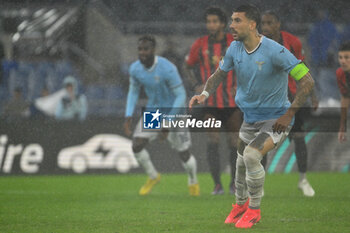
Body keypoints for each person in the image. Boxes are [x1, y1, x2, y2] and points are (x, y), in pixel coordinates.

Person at [189, 4, 315, 228]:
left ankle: (254, 210)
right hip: (249, 117)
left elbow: (307, 81)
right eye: (231, 20)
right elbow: (219, 74)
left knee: (250, 156)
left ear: (252, 24)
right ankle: (239, 206)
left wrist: (289, 114)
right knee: (240, 162)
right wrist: (204, 94)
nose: (231, 25)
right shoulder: (234, 49)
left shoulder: (275, 51)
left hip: (276, 119)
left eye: (237, 21)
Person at [124, 35, 200, 196]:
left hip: (176, 112)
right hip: (154, 112)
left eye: (146, 49)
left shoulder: (167, 68)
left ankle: (193, 181)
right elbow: (133, 91)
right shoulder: (135, 69)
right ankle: (153, 176)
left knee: (184, 154)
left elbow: (180, 95)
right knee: (137, 145)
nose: (142, 52)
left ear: (154, 50)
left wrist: (168, 122)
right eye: (140, 49)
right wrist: (128, 115)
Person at [184, 6, 242, 195]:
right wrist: (196, 86)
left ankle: (234, 184)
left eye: (215, 21)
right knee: (213, 139)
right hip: (209, 103)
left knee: (234, 141)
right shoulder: (200, 44)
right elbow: (187, 67)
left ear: (223, 24)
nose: (211, 25)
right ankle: (217, 185)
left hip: (231, 103)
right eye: (208, 21)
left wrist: (240, 85)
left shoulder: (235, 43)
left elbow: (247, 66)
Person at [260, 10, 318, 197]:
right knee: (264, 140)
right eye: (263, 23)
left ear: (278, 24)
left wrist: (313, 95)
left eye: (269, 23)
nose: (266, 27)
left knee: (299, 136)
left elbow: (303, 68)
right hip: (268, 99)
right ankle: (259, 184)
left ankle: (303, 180)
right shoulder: (257, 43)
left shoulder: (292, 42)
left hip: (292, 98)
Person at [336, 41, 350, 143]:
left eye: (346, 57)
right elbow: (345, 98)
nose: (343, 61)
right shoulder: (340, 73)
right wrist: (342, 127)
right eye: (340, 57)